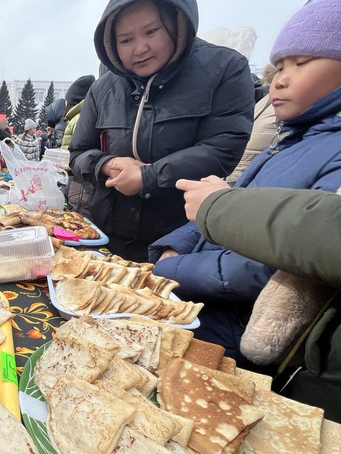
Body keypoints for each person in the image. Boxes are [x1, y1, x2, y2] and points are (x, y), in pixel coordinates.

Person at [149, 0, 341, 363]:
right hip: (202, 298)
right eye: (279, 66)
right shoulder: (289, 143)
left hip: (236, 328)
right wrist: (171, 248)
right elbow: (226, 209)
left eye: (303, 63)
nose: (280, 79)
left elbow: (274, 265)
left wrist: (170, 269)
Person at [69, 0, 254, 262]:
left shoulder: (224, 68)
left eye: (151, 31)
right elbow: (78, 152)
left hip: (175, 242)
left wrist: (148, 176)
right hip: (106, 234)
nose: (140, 48)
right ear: (111, 44)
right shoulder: (103, 88)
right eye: (126, 40)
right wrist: (107, 164)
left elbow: (223, 147)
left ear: (176, 22)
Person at [178, 181, 341, 421]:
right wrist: (174, 246)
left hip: (246, 320)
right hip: (307, 359)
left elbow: (320, 235)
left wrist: (218, 207)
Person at [225, 63, 278, 185]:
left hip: (241, 178)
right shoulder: (267, 98)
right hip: (235, 175)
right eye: (281, 68)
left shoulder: (283, 104)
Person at [60, 74, 97, 216]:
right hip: (77, 179)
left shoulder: (79, 118)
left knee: (78, 219)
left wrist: (67, 163)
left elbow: (81, 153)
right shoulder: (80, 117)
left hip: (81, 184)